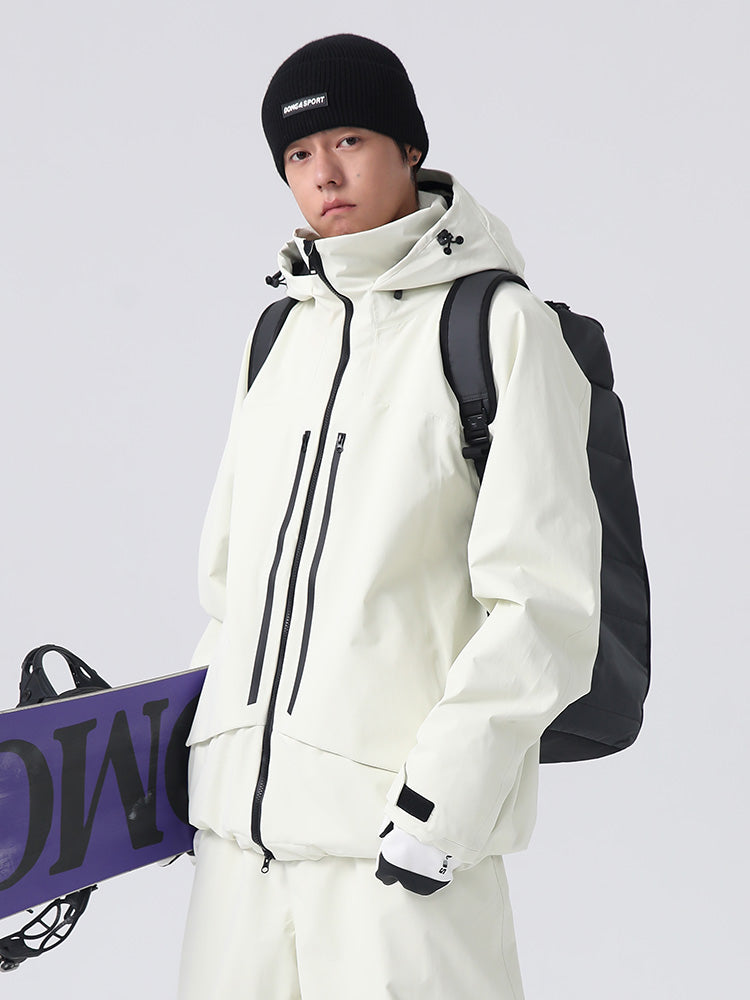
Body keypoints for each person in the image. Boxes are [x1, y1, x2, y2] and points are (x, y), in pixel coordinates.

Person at [178, 33, 602, 1000]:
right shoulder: (279, 333)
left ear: (410, 146)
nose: (323, 175)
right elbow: (231, 591)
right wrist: (198, 779)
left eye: (350, 140)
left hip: (396, 850)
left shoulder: (497, 326)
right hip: (242, 852)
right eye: (297, 154)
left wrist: (439, 810)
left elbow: (544, 604)